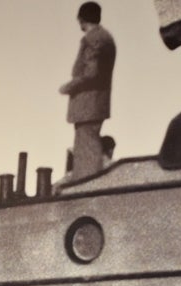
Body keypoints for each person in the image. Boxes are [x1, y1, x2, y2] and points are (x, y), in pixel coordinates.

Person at [58, 2, 116, 182]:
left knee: (86, 152)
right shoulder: (107, 38)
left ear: (82, 19)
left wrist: (70, 86)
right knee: (89, 147)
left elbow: (91, 73)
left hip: (87, 106)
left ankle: (84, 186)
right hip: (97, 104)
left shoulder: (93, 39)